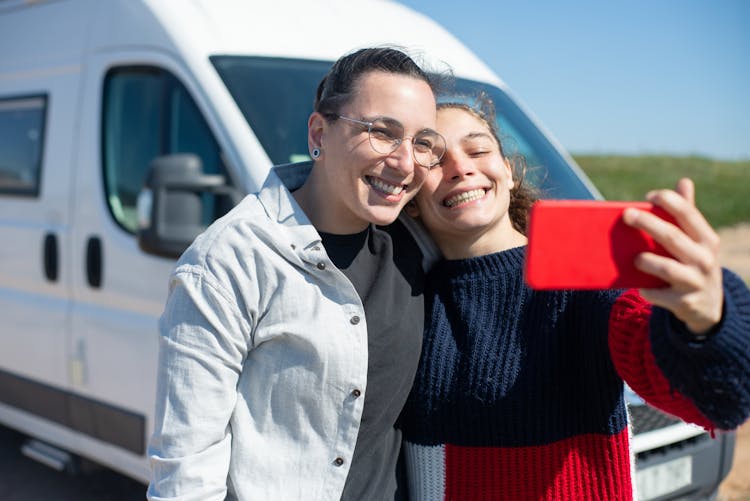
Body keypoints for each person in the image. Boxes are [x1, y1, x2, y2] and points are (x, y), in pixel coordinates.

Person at [397, 96, 750, 500]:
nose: (461, 168)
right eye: (436, 160)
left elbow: (716, 401)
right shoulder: (404, 295)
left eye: (478, 149)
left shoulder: (580, 282)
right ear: (411, 201)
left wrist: (705, 324)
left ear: (509, 173)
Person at [147, 47, 448, 500]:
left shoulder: (417, 245)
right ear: (319, 133)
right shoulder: (230, 260)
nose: (405, 163)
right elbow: (186, 469)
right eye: (382, 133)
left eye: (422, 142)